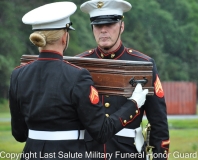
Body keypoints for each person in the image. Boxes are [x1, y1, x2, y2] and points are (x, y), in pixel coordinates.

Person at [9, 2, 148, 160]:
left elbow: (19, 134)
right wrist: (134, 104)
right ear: (64, 37)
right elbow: (101, 132)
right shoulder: (77, 76)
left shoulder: (18, 75)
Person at [75, 0, 170, 159]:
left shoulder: (143, 64)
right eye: (98, 26)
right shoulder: (78, 64)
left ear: (122, 26)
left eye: (110, 24)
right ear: (92, 28)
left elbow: (158, 121)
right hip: (88, 152)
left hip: (128, 152)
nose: (103, 30)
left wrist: (160, 156)